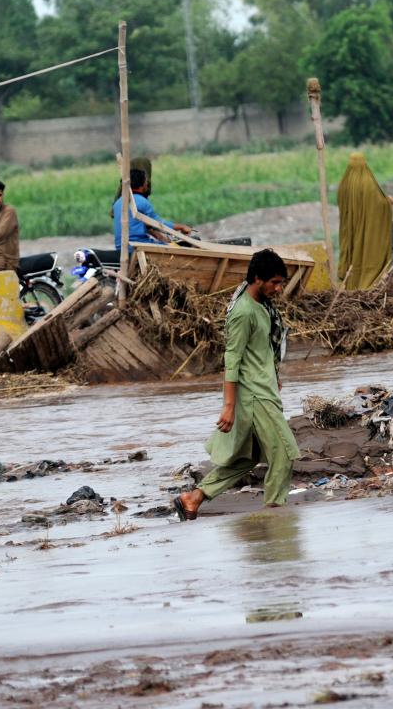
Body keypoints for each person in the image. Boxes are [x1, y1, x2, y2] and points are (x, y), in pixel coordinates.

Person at [174, 249, 299, 521]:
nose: (279, 289)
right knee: (284, 452)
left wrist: (274, 374)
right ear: (258, 279)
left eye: (281, 282)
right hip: (255, 396)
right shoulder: (243, 312)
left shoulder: (261, 305)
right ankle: (275, 515)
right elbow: (232, 360)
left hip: (263, 389)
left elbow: (262, 348)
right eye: (275, 282)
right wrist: (228, 407)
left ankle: (193, 498)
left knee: (247, 458)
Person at [337, 152, 393, 290]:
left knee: (353, 250)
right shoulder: (368, 182)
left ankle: (351, 282)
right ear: (364, 163)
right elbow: (379, 204)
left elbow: (341, 204)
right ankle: (367, 281)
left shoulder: (344, 184)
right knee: (367, 249)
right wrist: (389, 201)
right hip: (367, 228)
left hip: (350, 228)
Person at [111, 168, 191, 252]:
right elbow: (158, 224)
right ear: (142, 184)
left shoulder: (118, 202)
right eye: (146, 181)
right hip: (137, 246)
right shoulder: (142, 202)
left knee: (169, 243)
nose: (147, 184)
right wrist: (182, 227)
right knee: (184, 246)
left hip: (121, 247)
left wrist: (161, 238)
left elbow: (144, 226)